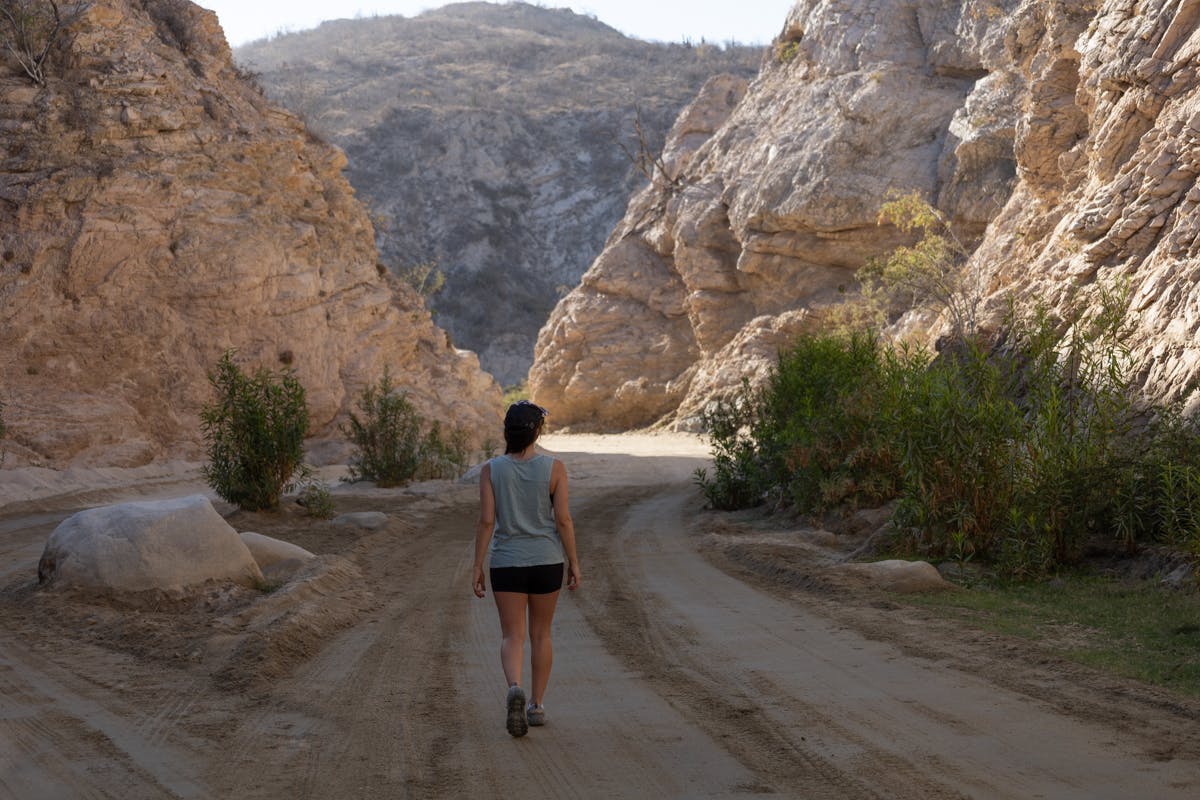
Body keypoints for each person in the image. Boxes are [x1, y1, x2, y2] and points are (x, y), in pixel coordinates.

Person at [473, 400, 581, 737]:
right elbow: (562, 520)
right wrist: (574, 562)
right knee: (541, 634)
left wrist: (477, 566)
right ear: (536, 431)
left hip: (507, 562)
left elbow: (487, 520)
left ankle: (514, 687)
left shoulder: (492, 470)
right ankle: (535, 705)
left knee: (512, 635)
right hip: (547, 560)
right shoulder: (555, 468)